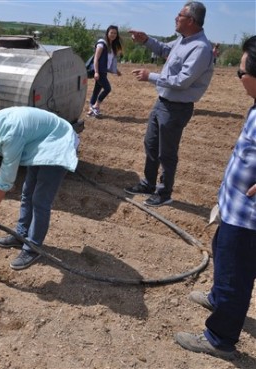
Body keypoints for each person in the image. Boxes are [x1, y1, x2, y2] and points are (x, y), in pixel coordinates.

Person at [175, 35, 256, 359]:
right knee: (224, 254)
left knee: (236, 274)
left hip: (248, 216)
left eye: (240, 73)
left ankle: (220, 338)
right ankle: (218, 295)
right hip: (235, 207)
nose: (238, 79)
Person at [0, 107, 80, 270]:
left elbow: (5, 181)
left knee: (40, 200)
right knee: (27, 193)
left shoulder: (10, 135)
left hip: (58, 142)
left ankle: (33, 248)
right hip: (41, 142)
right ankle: (20, 235)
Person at [125, 1, 214, 207]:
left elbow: (183, 81)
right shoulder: (183, 41)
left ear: (190, 20)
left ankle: (164, 193)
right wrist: (146, 40)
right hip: (162, 103)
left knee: (166, 152)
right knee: (151, 144)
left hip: (176, 108)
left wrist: (151, 76)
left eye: (179, 15)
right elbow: (165, 50)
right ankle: (148, 183)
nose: (176, 18)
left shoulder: (200, 48)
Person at [87, 25, 123, 118]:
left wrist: (116, 70)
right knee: (107, 88)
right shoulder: (101, 44)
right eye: (111, 32)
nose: (113, 35)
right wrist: (96, 72)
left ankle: (91, 110)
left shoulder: (111, 46)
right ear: (107, 33)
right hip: (99, 71)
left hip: (103, 71)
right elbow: (96, 59)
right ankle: (96, 106)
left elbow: (109, 62)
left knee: (96, 90)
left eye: (115, 33)